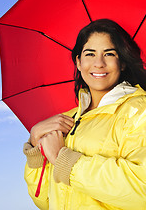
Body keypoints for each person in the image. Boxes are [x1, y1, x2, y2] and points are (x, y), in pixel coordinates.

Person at [23, 19, 146, 210]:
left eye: (109, 54)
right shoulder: (68, 120)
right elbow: (45, 201)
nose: (99, 63)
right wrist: (35, 148)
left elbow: (142, 192)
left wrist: (63, 159)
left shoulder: (139, 111)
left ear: (121, 62)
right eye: (90, 54)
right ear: (78, 62)